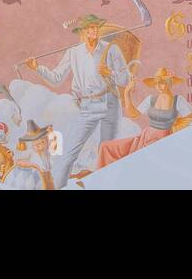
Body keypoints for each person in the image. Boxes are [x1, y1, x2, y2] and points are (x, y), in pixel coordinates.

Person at [25, 13, 130, 184]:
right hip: (88, 105)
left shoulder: (111, 49)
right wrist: (38, 69)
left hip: (110, 102)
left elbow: (126, 79)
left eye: (96, 27)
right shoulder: (73, 53)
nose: (94, 30)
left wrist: (109, 72)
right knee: (68, 153)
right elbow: (56, 78)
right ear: (82, 31)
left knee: (107, 152)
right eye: (90, 27)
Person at [97, 66, 192, 167]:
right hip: (145, 138)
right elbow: (133, 114)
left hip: (163, 141)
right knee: (105, 146)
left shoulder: (178, 100)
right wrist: (127, 93)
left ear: (170, 82)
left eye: (161, 82)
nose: (158, 86)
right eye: (156, 83)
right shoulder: (151, 99)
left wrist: (175, 127)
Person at [6, 121, 55, 190]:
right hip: (36, 177)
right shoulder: (31, 153)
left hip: (47, 178)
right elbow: (20, 155)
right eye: (35, 144)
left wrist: (51, 132)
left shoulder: (48, 153)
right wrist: (13, 154)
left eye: (42, 142)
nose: (38, 145)